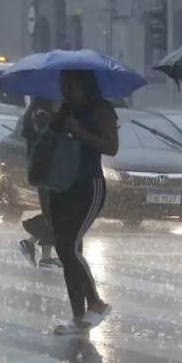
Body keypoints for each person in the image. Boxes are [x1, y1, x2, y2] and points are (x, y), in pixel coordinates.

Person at [46, 69, 118, 335]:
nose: (65, 88)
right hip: (61, 185)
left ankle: (96, 302)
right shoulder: (65, 109)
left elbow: (111, 147)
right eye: (62, 82)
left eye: (70, 83)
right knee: (66, 251)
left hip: (88, 186)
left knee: (70, 246)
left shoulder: (101, 110)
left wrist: (78, 131)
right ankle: (78, 317)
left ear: (83, 83)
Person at [17, 97, 62, 269]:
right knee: (53, 213)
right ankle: (32, 246)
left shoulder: (33, 114)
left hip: (41, 171)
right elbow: (49, 142)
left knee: (51, 213)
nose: (59, 101)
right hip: (47, 172)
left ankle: (43, 255)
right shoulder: (42, 116)